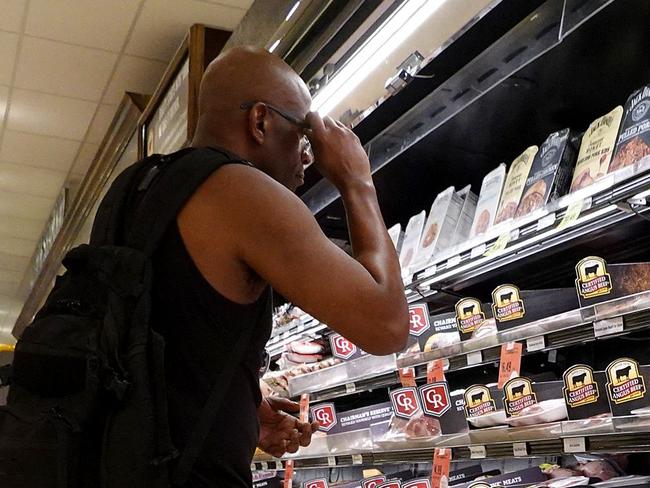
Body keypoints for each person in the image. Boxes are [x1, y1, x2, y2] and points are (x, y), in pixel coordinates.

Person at [151, 46, 409, 487]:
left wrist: (242, 403)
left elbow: (157, 340)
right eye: (303, 136)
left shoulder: (143, 187)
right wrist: (356, 181)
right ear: (260, 121)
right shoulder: (239, 190)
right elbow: (387, 326)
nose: (308, 156)